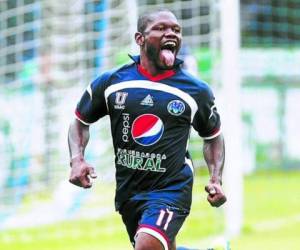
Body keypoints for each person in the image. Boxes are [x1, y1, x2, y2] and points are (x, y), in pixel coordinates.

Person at [68, 9, 226, 250]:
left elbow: (213, 136)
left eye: (176, 30)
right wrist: (77, 159)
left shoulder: (195, 91)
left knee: (147, 247)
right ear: (140, 39)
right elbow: (80, 121)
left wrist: (216, 179)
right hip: (129, 190)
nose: (171, 33)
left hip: (171, 188)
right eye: (161, 29)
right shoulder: (112, 83)